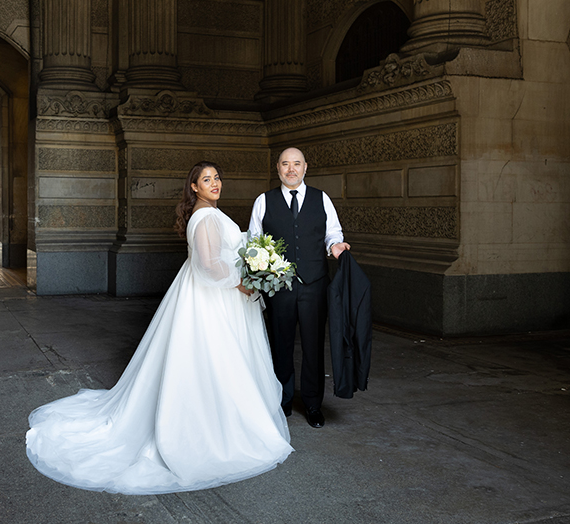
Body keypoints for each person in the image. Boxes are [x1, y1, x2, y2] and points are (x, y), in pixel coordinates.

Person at [26, 161, 293, 494]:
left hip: (215, 297)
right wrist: (243, 280)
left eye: (217, 178)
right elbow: (208, 267)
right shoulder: (206, 216)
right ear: (193, 187)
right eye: (207, 179)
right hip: (212, 299)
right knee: (214, 358)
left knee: (215, 359)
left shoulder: (206, 213)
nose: (215, 183)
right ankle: (215, 426)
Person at [248, 147, 350, 428]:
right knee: (280, 345)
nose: (291, 169)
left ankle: (313, 404)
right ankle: (281, 401)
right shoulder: (264, 201)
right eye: (285, 164)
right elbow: (254, 243)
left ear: (306, 167)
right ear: (277, 169)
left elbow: (333, 233)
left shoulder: (322, 199)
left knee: (313, 345)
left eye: (296, 164)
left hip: (314, 284)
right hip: (279, 287)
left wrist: (336, 247)